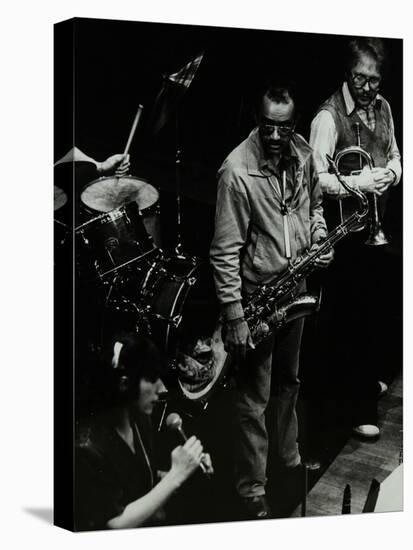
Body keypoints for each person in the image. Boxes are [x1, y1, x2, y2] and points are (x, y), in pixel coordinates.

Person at [210, 79, 333, 519]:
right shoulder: (236, 171)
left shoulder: (300, 153)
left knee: (289, 383)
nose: (277, 136)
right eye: (268, 127)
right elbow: (224, 252)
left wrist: (318, 236)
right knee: (253, 398)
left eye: (283, 126)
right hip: (259, 296)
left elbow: (314, 207)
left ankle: (289, 459)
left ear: (293, 122)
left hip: (294, 287)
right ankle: (251, 488)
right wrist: (235, 315)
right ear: (256, 121)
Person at [310, 37, 402, 439]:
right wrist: (359, 181)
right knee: (349, 322)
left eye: (374, 80)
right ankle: (353, 406)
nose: (368, 88)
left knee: (375, 313)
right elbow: (315, 179)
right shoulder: (328, 117)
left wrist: (392, 174)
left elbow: (396, 154)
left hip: (377, 229)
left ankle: (365, 384)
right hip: (344, 235)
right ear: (348, 74)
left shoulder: (383, 107)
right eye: (361, 79)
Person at [75, 334, 212, 531]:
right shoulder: (86, 447)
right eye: (151, 379)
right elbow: (113, 524)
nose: (162, 388)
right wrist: (176, 475)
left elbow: (136, 481)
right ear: (124, 383)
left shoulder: (139, 419)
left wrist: (188, 468)